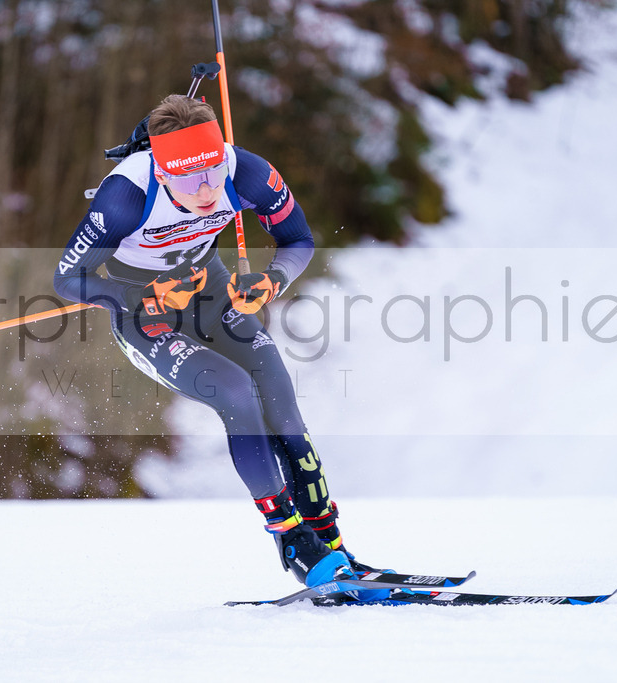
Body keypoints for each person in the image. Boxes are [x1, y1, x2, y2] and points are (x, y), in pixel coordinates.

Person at [54, 94, 388, 598]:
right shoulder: (125, 195)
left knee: (281, 404)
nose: (207, 188)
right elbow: (68, 279)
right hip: (149, 317)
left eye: (212, 169)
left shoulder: (247, 172)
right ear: (162, 173)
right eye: (189, 179)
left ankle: (332, 546)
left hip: (211, 293)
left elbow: (298, 241)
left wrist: (272, 280)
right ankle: (292, 542)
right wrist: (140, 295)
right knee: (236, 392)